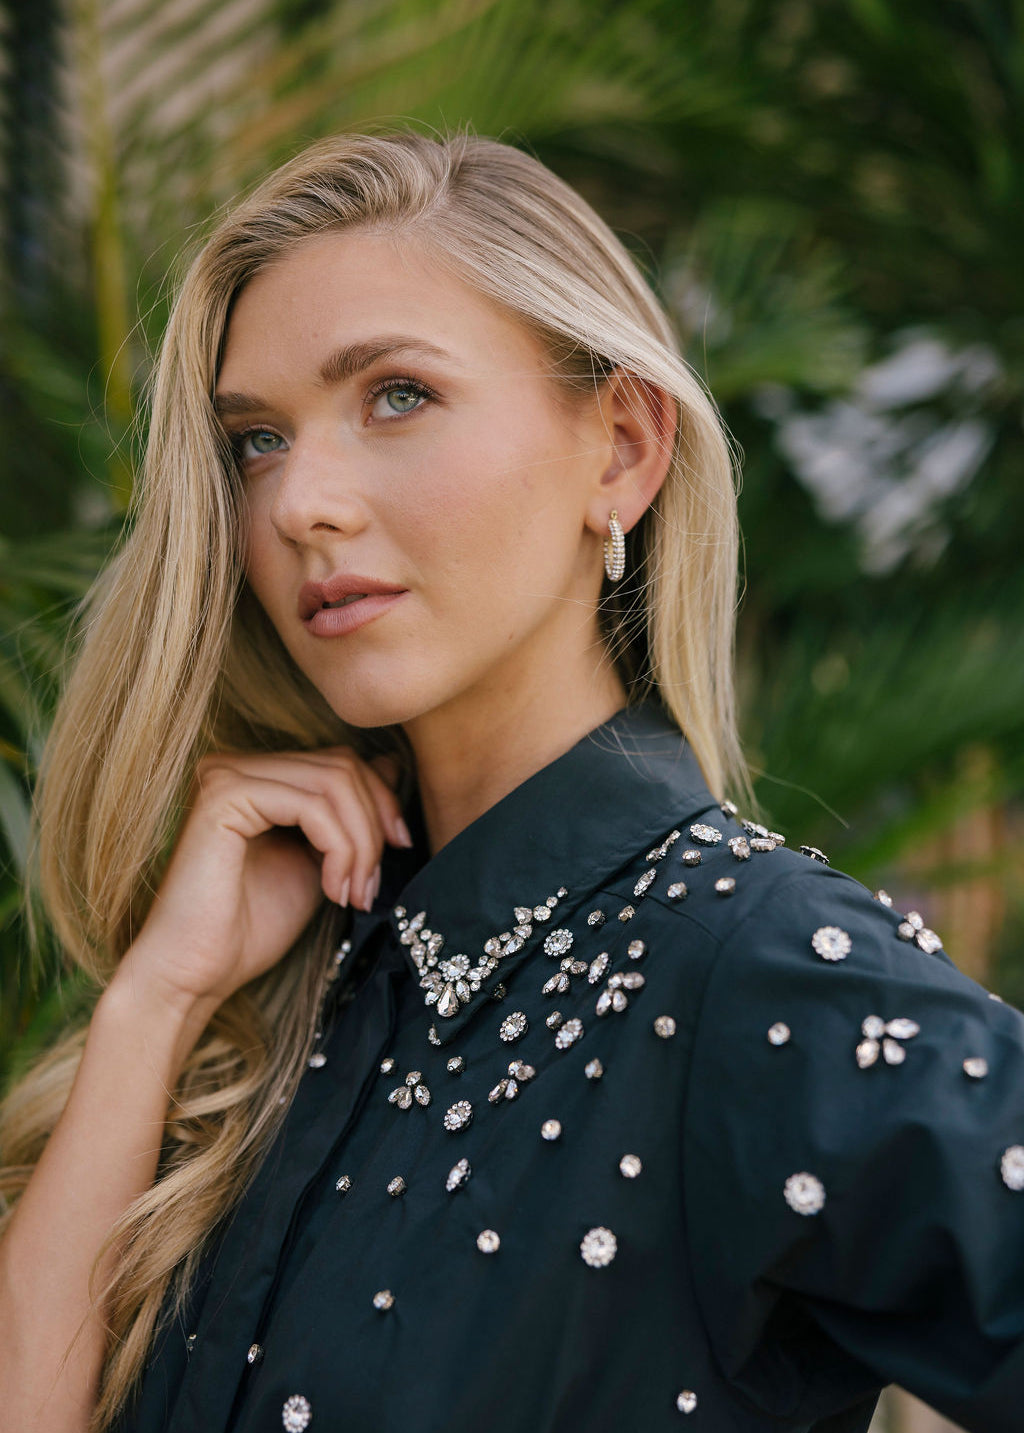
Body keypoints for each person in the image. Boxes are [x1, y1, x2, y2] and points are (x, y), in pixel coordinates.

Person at [0, 128, 1021, 1433]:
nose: (301, 499)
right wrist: (156, 999)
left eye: (396, 395)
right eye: (257, 441)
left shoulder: (754, 975)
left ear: (621, 451)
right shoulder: (286, 973)